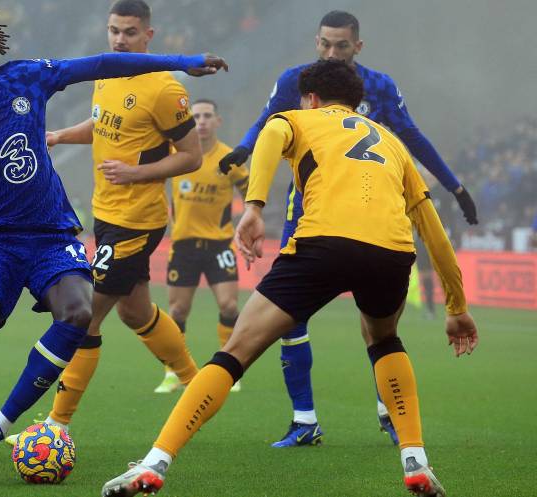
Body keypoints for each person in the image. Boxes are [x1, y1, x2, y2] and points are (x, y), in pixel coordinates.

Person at [0, 8, 227, 481]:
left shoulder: (25, 79)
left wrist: (183, 60)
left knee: (77, 314)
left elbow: (98, 65)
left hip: (52, 236)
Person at [101, 59, 479, 497]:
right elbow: (432, 226)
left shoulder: (298, 118)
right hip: (392, 253)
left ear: (311, 98)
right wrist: (457, 307)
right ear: (357, 101)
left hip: (323, 244)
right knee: (384, 339)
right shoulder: (393, 144)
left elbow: (270, 136)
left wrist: (255, 207)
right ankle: (415, 461)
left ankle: (155, 463)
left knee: (235, 351)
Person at [218, 10, 479, 447]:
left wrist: (455, 186)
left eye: (341, 45)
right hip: (306, 210)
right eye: (324, 44)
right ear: (316, 42)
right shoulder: (295, 80)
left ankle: (390, 413)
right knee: (289, 319)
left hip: (370, 212)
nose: (332, 53)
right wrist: (243, 149)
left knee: (378, 322)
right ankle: (304, 421)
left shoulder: (378, 87)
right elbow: (268, 123)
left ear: (358, 47)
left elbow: (412, 136)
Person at [8, 0, 209, 441]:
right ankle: (197, 383)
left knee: (85, 317)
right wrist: (63, 135)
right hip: (107, 214)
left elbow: (193, 157)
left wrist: (136, 173)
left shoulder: (165, 89)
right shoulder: (107, 73)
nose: (120, 39)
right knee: (136, 311)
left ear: (149, 37)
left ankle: (55, 426)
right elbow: (104, 125)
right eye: (115, 30)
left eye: (131, 32)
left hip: (137, 221)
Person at [154, 98, 248, 394]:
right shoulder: (177, 154)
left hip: (219, 245)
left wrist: (250, 219)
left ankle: (230, 371)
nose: (203, 121)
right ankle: (172, 373)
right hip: (183, 246)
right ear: (190, 122)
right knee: (178, 311)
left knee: (229, 305)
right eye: (197, 116)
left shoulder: (229, 159)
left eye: (208, 115)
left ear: (218, 121)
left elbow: (251, 193)